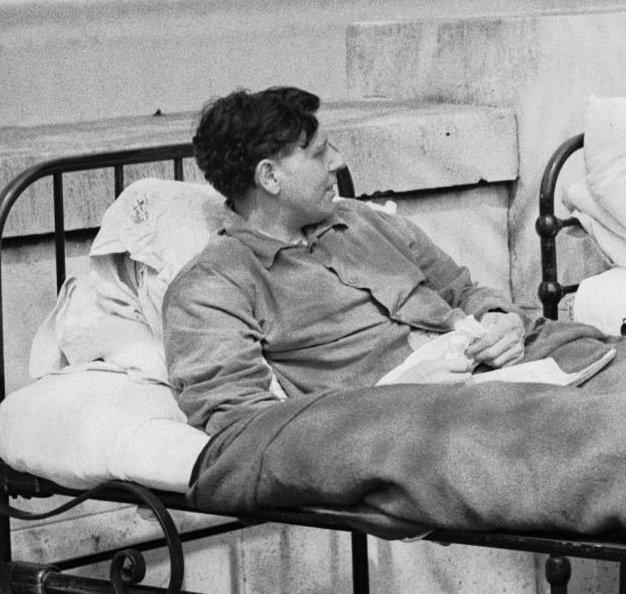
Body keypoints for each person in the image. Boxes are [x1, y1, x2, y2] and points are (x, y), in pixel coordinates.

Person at [165, 85, 579, 437]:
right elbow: (242, 424)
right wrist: (392, 401)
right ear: (270, 177)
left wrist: (501, 320)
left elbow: (465, 292)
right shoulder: (214, 285)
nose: (338, 162)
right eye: (318, 153)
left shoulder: (367, 222)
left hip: (515, 373)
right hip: (425, 427)